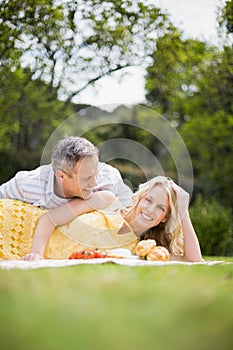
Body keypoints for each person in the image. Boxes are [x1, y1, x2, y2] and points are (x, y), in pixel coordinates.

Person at [0, 176, 203, 262]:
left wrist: (182, 209)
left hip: (22, 253)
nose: (150, 210)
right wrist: (36, 255)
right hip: (17, 222)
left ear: (164, 218)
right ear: (140, 196)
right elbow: (49, 219)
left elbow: (194, 260)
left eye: (160, 208)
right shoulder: (108, 201)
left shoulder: (140, 249)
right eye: (148, 200)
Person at [0, 136, 133, 208]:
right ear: (61, 176)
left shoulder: (109, 177)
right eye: (86, 178)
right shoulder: (26, 185)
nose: (94, 183)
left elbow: (133, 213)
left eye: (95, 174)